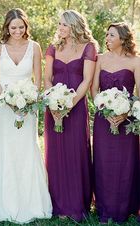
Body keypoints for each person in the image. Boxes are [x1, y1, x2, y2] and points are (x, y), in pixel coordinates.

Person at [0, 8, 52, 224]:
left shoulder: (35, 47)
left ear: (26, 26)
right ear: (6, 27)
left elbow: (38, 81)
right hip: (4, 105)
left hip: (28, 105)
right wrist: (8, 100)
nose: (17, 31)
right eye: (13, 27)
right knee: (6, 145)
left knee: (27, 146)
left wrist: (27, 101)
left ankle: (32, 202)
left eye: (21, 27)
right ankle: (2, 202)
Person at [44, 9, 98, 221]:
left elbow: (87, 81)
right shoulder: (53, 48)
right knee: (55, 154)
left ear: (75, 25)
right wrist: (54, 103)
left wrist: (68, 105)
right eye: (59, 24)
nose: (60, 28)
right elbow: (47, 78)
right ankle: (58, 204)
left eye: (64, 25)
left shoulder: (89, 48)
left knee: (76, 153)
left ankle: (77, 203)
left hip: (75, 108)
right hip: (54, 108)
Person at [91, 22, 140, 224]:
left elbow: (139, 95)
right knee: (103, 163)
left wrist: (125, 111)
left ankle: (125, 207)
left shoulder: (136, 62)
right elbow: (93, 89)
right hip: (103, 120)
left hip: (126, 121)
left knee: (125, 164)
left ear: (123, 39)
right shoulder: (99, 59)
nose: (107, 38)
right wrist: (105, 109)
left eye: (112, 35)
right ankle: (104, 207)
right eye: (107, 34)